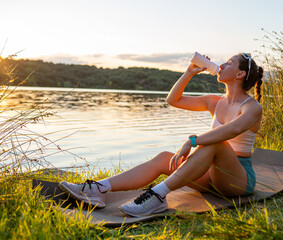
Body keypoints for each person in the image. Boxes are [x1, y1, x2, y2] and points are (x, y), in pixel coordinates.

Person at [59, 53, 264, 217]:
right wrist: (189, 73)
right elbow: (173, 100)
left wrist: (192, 141)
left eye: (229, 63)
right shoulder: (215, 101)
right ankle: (98, 190)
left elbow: (232, 130)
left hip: (237, 180)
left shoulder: (252, 107)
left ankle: (157, 196)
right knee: (165, 158)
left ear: (239, 75)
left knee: (216, 144)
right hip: (209, 175)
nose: (222, 64)